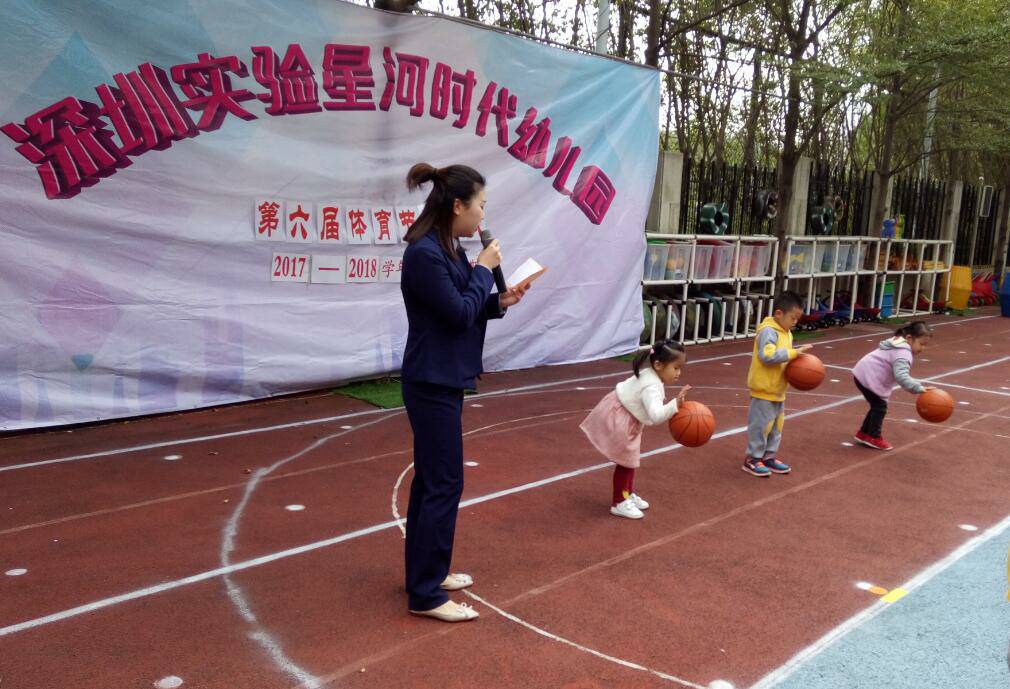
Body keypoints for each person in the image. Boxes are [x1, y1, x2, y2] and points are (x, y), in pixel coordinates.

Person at [399, 162, 528, 623]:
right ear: (458, 206)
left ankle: (426, 574)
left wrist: (498, 301)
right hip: (431, 380)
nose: (483, 215)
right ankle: (425, 594)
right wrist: (484, 270)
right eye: (480, 205)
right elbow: (455, 314)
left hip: (445, 377)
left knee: (433, 481)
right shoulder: (424, 254)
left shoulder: (448, 249)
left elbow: (464, 306)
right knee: (444, 482)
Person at [580, 339, 690, 519]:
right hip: (621, 419)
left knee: (629, 460)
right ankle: (619, 501)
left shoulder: (651, 375)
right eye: (676, 368)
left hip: (622, 413)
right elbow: (655, 416)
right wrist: (674, 405)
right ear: (658, 365)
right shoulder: (651, 386)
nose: (679, 372)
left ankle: (627, 493)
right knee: (626, 462)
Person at [742, 291, 812, 477]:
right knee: (761, 427)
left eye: (797, 319)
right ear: (779, 314)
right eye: (793, 318)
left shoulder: (786, 332)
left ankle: (769, 456)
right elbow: (767, 356)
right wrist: (794, 353)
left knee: (776, 427)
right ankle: (752, 458)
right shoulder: (768, 331)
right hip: (763, 389)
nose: (795, 322)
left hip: (778, 390)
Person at [852, 321, 934, 450]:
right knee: (880, 407)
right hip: (869, 377)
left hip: (862, 372)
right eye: (921, 344)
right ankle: (873, 436)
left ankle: (864, 433)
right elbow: (901, 376)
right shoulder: (903, 353)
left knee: (877, 405)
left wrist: (917, 385)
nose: (923, 348)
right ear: (909, 338)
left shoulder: (897, 343)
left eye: (925, 345)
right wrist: (918, 387)